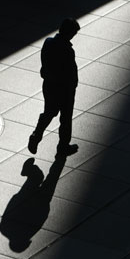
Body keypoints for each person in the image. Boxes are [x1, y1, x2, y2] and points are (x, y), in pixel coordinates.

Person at [28, 17, 80, 157]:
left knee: (49, 112)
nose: (73, 36)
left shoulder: (48, 42)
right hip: (64, 89)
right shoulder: (67, 50)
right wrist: (73, 85)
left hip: (49, 85)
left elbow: (45, 63)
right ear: (69, 32)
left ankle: (36, 135)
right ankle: (62, 147)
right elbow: (70, 72)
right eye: (73, 33)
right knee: (65, 118)